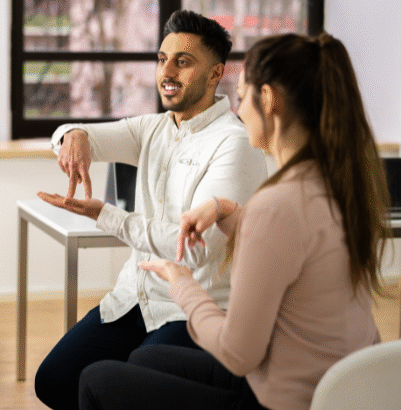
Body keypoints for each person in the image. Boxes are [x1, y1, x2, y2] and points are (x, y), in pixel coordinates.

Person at [78, 32, 388, 410]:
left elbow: (239, 354)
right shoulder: (338, 185)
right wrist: (234, 214)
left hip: (286, 398)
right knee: (146, 359)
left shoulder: (275, 204)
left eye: (242, 97)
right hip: (342, 383)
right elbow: (298, 241)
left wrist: (183, 286)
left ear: (268, 99)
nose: (238, 110)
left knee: (97, 379)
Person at [34, 9, 268, 410]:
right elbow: (70, 136)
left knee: (122, 388)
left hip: (192, 307)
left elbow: (190, 249)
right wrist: (72, 135)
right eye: (162, 59)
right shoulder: (154, 129)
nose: (168, 71)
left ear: (215, 74)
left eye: (184, 61)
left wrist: (104, 215)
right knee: (53, 382)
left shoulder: (234, 142)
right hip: (134, 298)